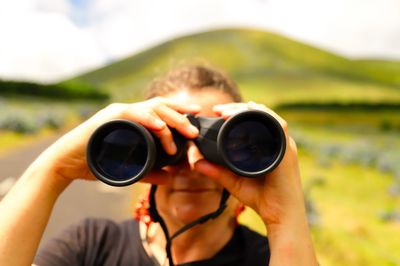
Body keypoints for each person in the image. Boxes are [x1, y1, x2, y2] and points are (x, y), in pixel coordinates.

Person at [0, 65, 318, 266]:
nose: (192, 163)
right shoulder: (91, 246)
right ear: (143, 152)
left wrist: (283, 217)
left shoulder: (271, 257)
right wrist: (53, 170)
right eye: (170, 139)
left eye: (223, 145)